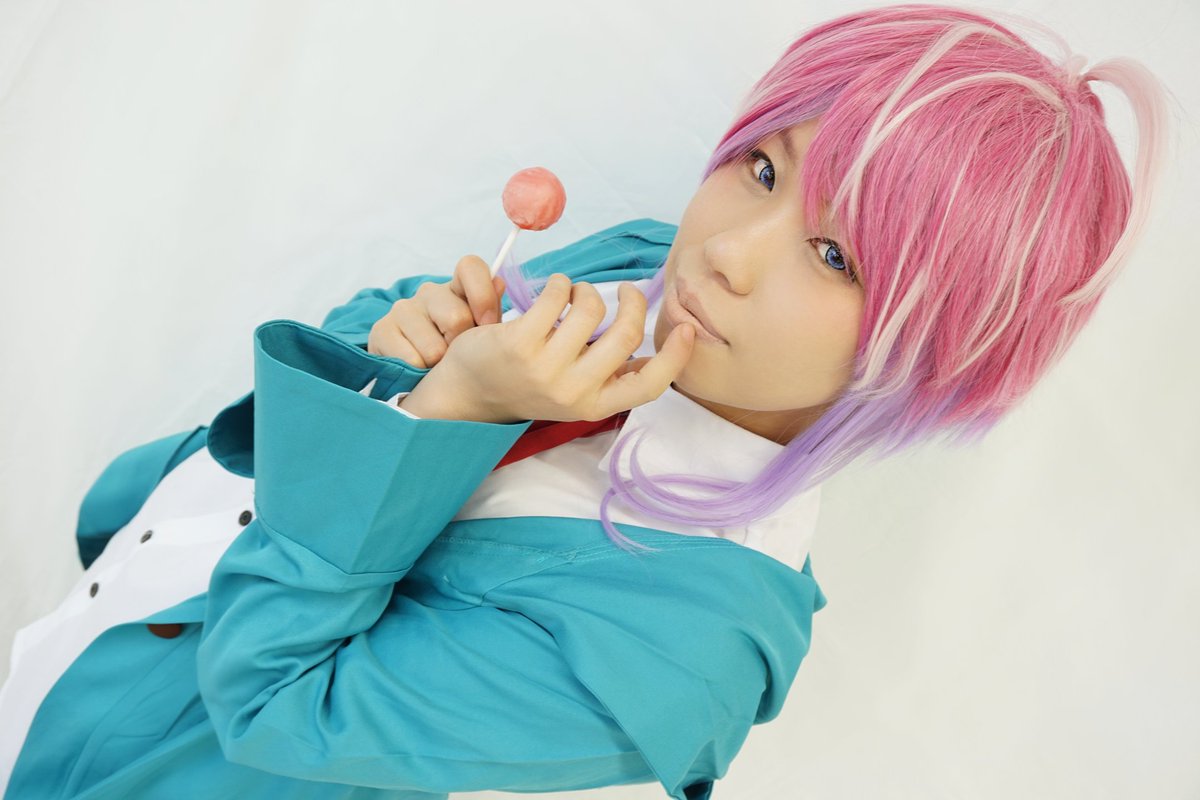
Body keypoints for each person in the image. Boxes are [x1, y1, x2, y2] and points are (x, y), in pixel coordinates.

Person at [0, 4, 1167, 799]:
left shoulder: (684, 648)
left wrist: (452, 411)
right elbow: (366, 334)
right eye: (763, 167)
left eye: (835, 255)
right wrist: (408, 352)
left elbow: (272, 700)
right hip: (89, 635)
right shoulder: (652, 270)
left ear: (934, 353)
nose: (727, 252)